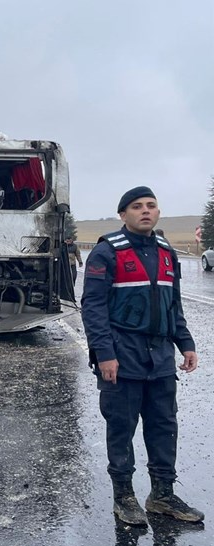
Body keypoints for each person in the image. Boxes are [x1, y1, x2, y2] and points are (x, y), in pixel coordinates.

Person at [81, 186, 202, 526]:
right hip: (122, 356)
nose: (145, 211)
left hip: (160, 358)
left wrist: (186, 343)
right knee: (121, 428)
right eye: (136, 207)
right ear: (123, 214)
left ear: (158, 213)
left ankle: (162, 495)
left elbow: (172, 304)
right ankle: (125, 497)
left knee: (164, 426)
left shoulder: (167, 253)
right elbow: (93, 308)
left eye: (151, 205)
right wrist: (104, 353)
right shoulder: (107, 253)